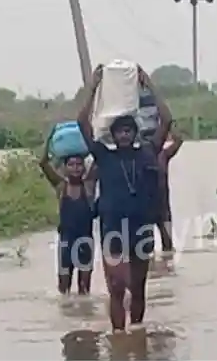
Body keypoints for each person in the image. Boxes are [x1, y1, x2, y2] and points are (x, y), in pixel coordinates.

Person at [76, 64, 173, 331]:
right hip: (113, 228)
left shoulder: (149, 152)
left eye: (129, 130)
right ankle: (119, 335)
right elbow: (81, 123)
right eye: (120, 131)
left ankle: (137, 335)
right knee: (117, 287)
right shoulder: (104, 156)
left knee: (138, 289)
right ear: (114, 135)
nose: (125, 135)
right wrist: (93, 87)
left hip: (141, 226)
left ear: (135, 133)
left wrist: (149, 85)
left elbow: (167, 120)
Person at [39, 134, 97, 295]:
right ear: (64, 167)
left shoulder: (89, 185)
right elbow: (43, 163)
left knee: (84, 290)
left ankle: (82, 317)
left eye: (79, 164)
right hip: (66, 242)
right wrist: (49, 141)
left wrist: (94, 139)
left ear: (84, 167)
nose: (76, 168)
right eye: (71, 164)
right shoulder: (60, 186)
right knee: (63, 289)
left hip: (86, 241)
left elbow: (100, 158)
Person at [154, 126, 184, 255]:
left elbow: (178, 140)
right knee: (144, 247)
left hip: (162, 206)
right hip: (145, 206)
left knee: (168, 246)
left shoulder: (163, 155)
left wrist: (169, 127)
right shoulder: (140, 156)